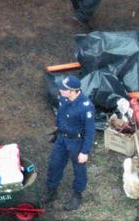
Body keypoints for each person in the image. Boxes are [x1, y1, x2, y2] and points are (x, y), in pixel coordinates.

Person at [45, 76, 96, 211]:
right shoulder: (63, 98)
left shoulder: (86, 107)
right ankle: (52, 190)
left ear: (73, 91)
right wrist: (57, 128)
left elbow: (90, 131)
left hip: (77, 142)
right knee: (54, 164)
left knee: (79, 169)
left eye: (64, 89)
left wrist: (85, 152)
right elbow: (60, 114)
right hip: (62, 138)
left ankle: (77, 194)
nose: (60, 90)